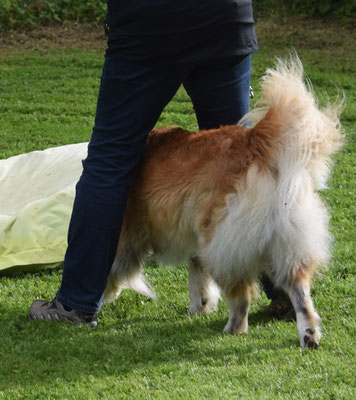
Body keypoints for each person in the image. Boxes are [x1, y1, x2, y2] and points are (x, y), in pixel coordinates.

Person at [29, 0, 294, 326]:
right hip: (224, 20)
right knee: (245, 161)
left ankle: (76, 303)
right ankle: (286, 290)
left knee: (109, 160)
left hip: (149, 26)